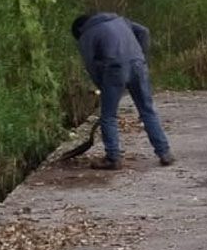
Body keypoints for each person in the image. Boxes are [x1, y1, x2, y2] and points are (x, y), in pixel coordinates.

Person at [71, 12, 175, 171]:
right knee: (147, 110)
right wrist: (141, 56)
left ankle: (113, 158)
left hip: (115, 69)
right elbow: (144, 31)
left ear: (79, 30)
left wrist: (102, 85)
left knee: (108, 116)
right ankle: (164, 153)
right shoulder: (119, 20)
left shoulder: (87, 34)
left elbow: (91, 65)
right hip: (138, 66)